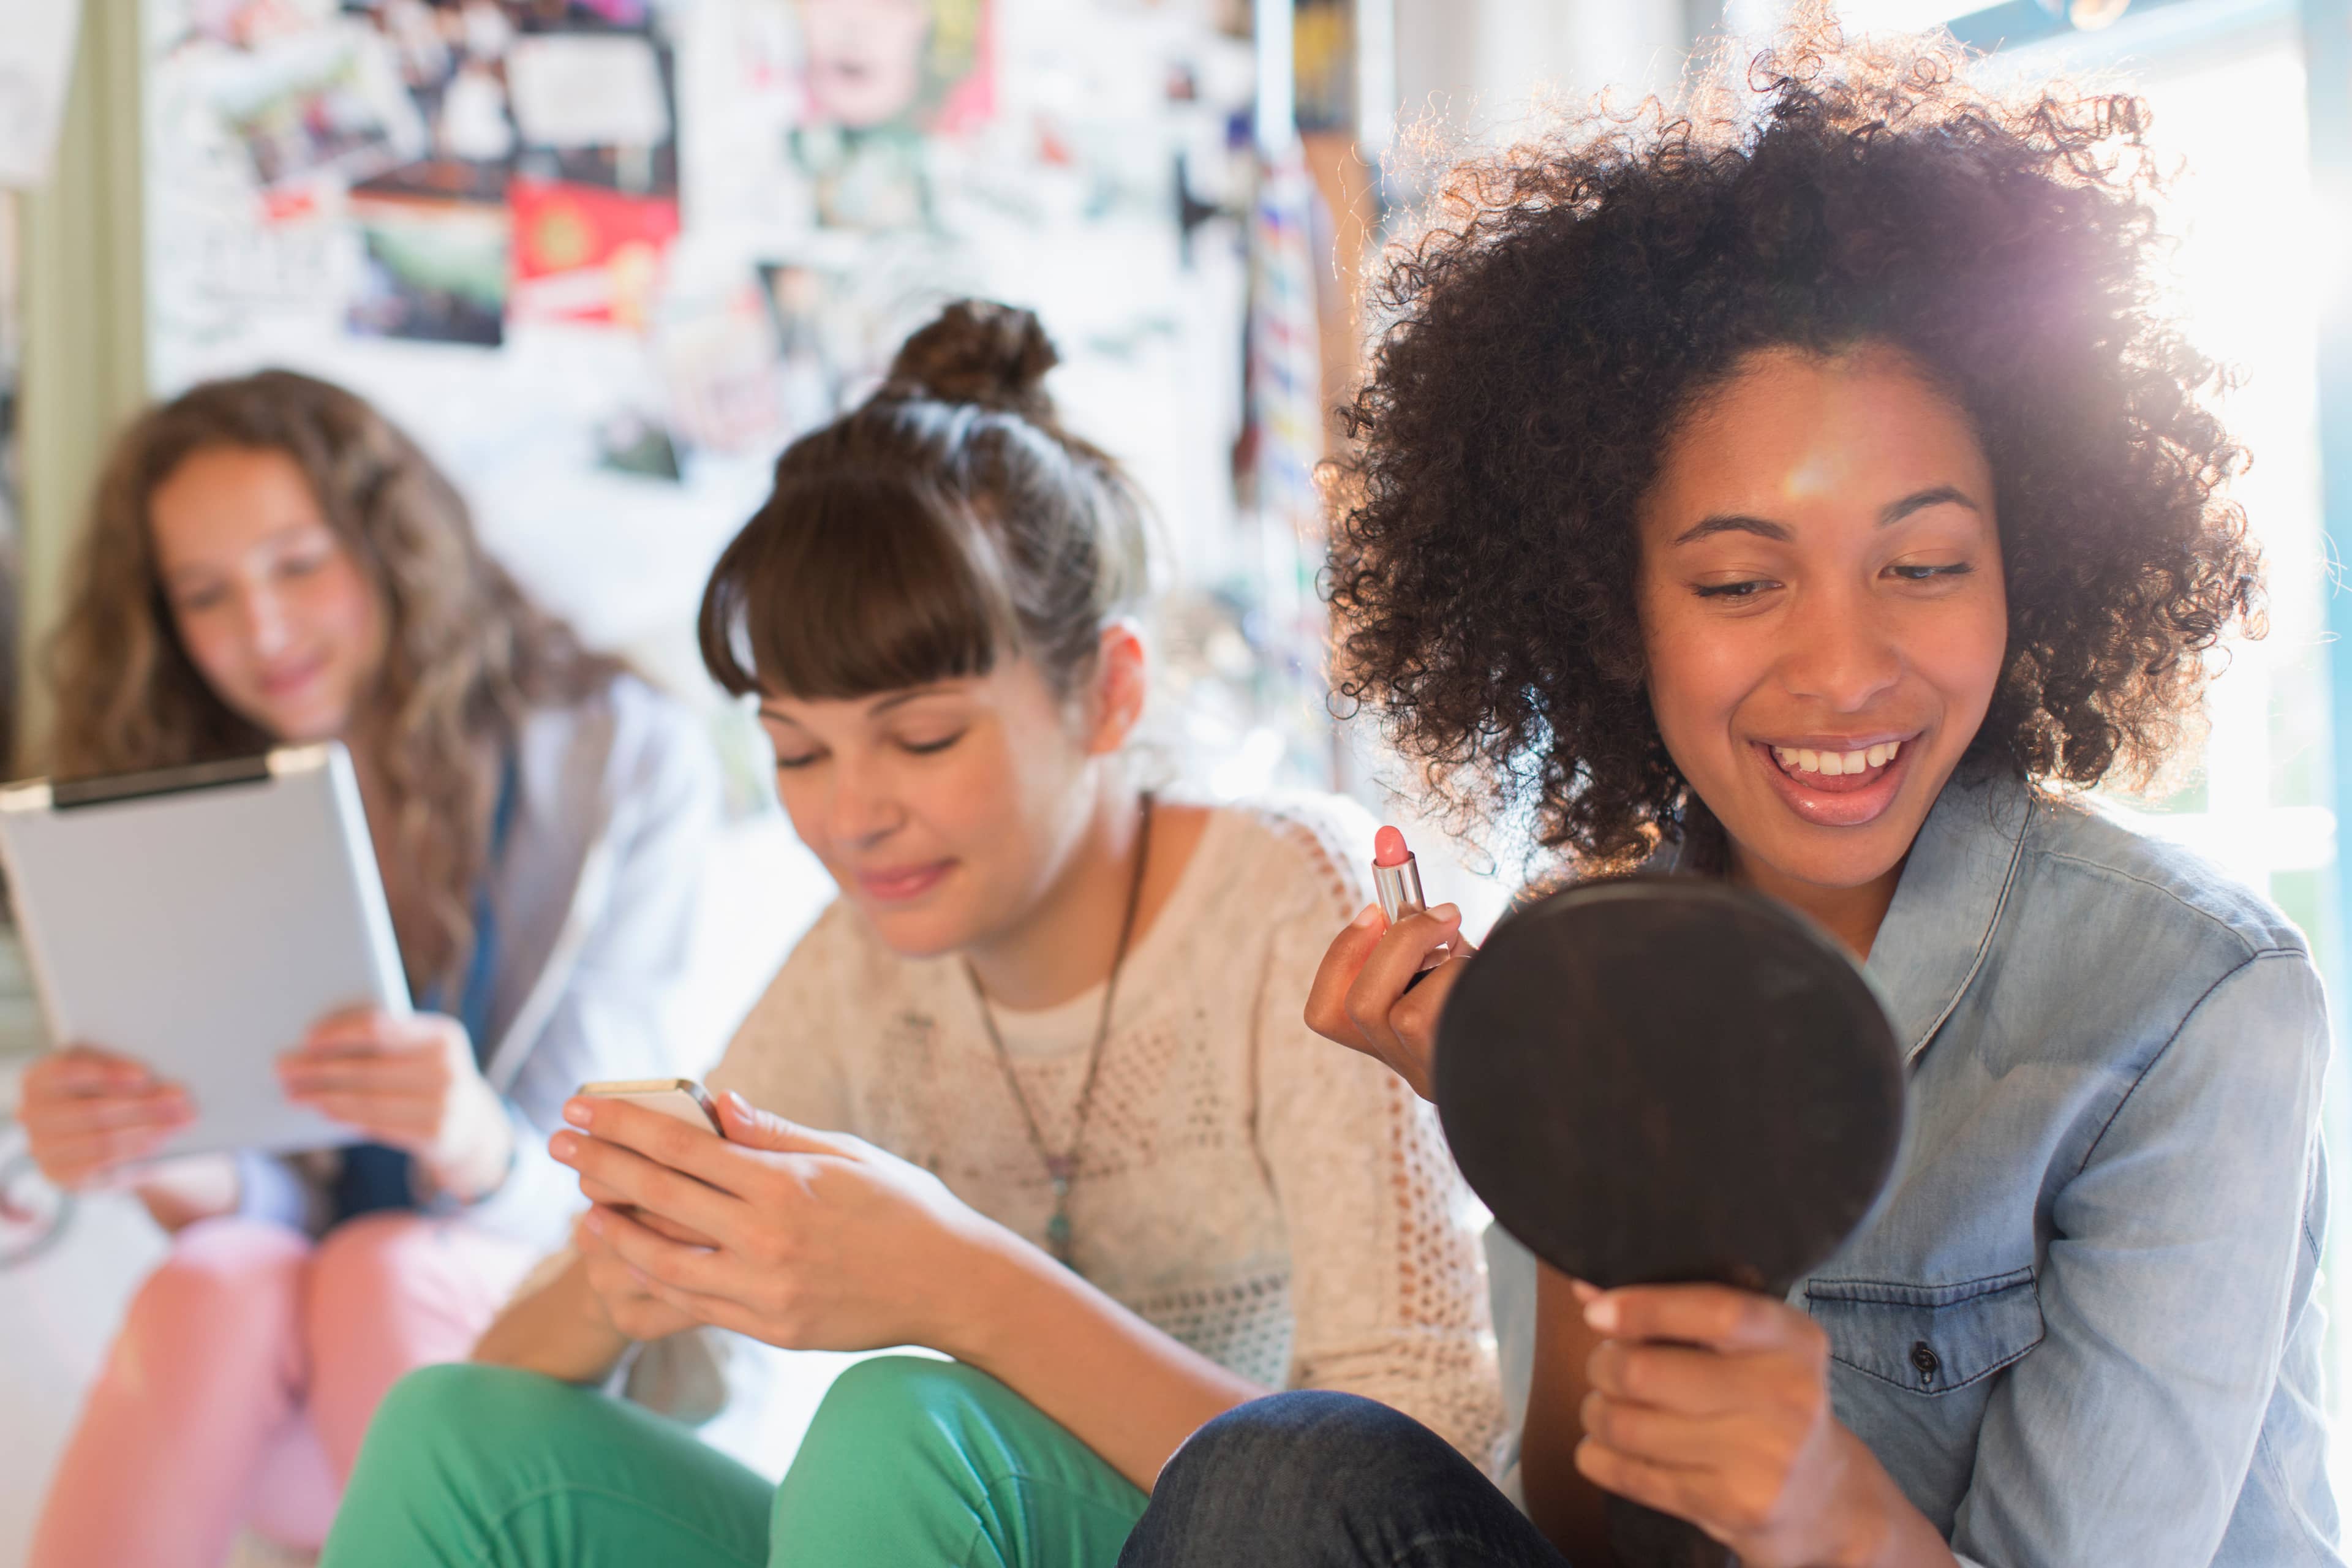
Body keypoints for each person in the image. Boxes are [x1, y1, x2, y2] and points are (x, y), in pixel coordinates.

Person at [1117, 23, 2340, 1568]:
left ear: (2030, 571)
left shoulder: (2191, 1002)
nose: (1844, 668)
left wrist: (1826, 1509)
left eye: (1924, 565)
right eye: (1744, 578)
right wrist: (1559, 1139)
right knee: (1284, 1474)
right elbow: (1582, 1536)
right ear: (1612, 603)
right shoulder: (1590, 954)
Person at [315, 299, 1503, 1568]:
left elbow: (1407, 1472)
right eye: (795, 750)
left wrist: (959, 1280)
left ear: (1108, 692)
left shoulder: (1288, 894)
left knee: (900, 1425)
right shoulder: (859, 963)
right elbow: (571, 1364)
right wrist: (625, 1277)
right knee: (450, 1426)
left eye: (923, 737)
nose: (852, 814)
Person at [20, 370, 720, 1568]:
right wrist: (173, 1156)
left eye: (299, 564)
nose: (266, 631)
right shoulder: (192, 803)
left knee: (379, 1266)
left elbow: (616, 1192)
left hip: (554, 1353)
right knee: (218, 1275)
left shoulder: (624, 758)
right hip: (316, 1381)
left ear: (392, 544)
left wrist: (475, 1141)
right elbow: (276, 1209)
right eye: (206, 594)